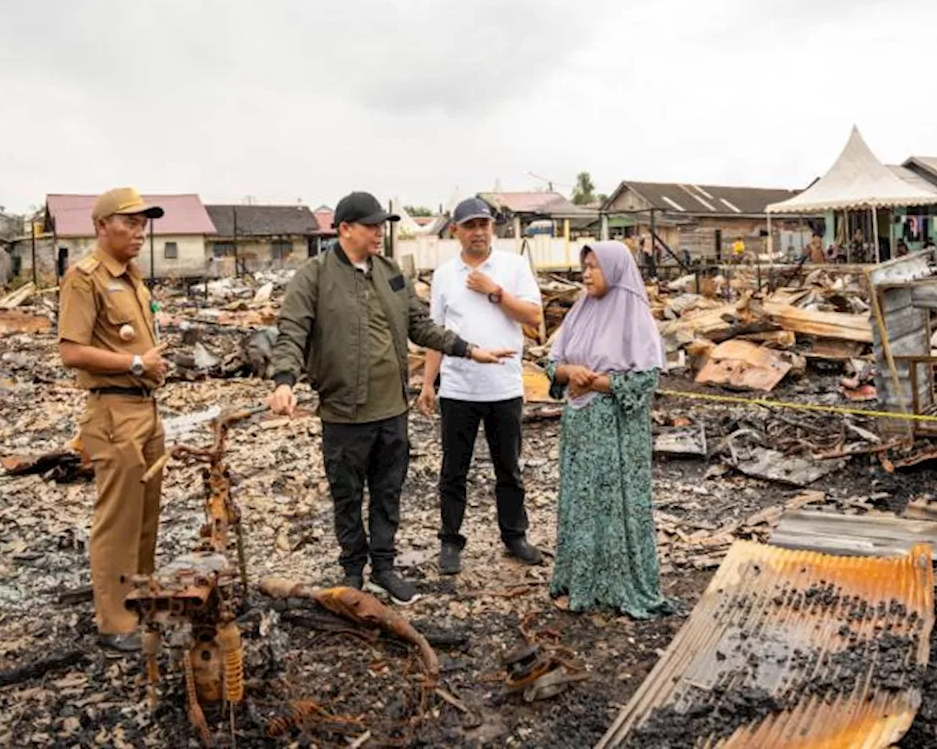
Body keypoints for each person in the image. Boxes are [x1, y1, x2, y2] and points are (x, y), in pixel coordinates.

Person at [268, 192, 513, 605]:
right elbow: (293, 330)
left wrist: (468, 350)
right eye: (371, 226)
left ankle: (384, 566)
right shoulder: (314, 276)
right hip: (343, 412)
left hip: (391, 410)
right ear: (345, 229)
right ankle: (352, 570)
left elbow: (420, 325)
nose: (379, 233)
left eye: (382, 226)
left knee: (387, 492)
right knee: (347, 494)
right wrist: (284, 380)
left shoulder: (390, 272)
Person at [57, 187, 169, 653]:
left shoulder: (135, 278)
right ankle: (114, 620)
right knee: (117, 519)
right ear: (102, 226)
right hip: (112, 409)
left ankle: (139, 599)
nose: (139, 232)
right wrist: (137, 365)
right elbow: (70, 351)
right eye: (130, 223)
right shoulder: (84, 279)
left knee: (145, 516)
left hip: (145, 409)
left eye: (143, 224)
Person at [544, 242, 676, 619]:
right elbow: (553, 364)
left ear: (616, 270)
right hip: (581, 428)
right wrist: (570, 373)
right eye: (584, 266)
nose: (586, 274)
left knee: (614, 505)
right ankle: (582, 581)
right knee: (581, 505)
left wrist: (597, 383)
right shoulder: (581, 310)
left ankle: (618, 583)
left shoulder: (634, 316)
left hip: (616, 432)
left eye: (595, 267)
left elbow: (646, 380)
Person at [417, 198, 545, 575]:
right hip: (458, 390)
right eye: (469, 226)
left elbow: (534, 317)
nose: (478, 232)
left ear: (493, 228)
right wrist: (428, 384)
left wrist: (495, 291)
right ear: (455, 230)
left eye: (484, 225)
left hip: (504, 388)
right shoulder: (444, 275)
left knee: (508, 468)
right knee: (453, 470)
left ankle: (514, 535)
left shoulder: (514, 267)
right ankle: (451, 540)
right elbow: (435, 335)